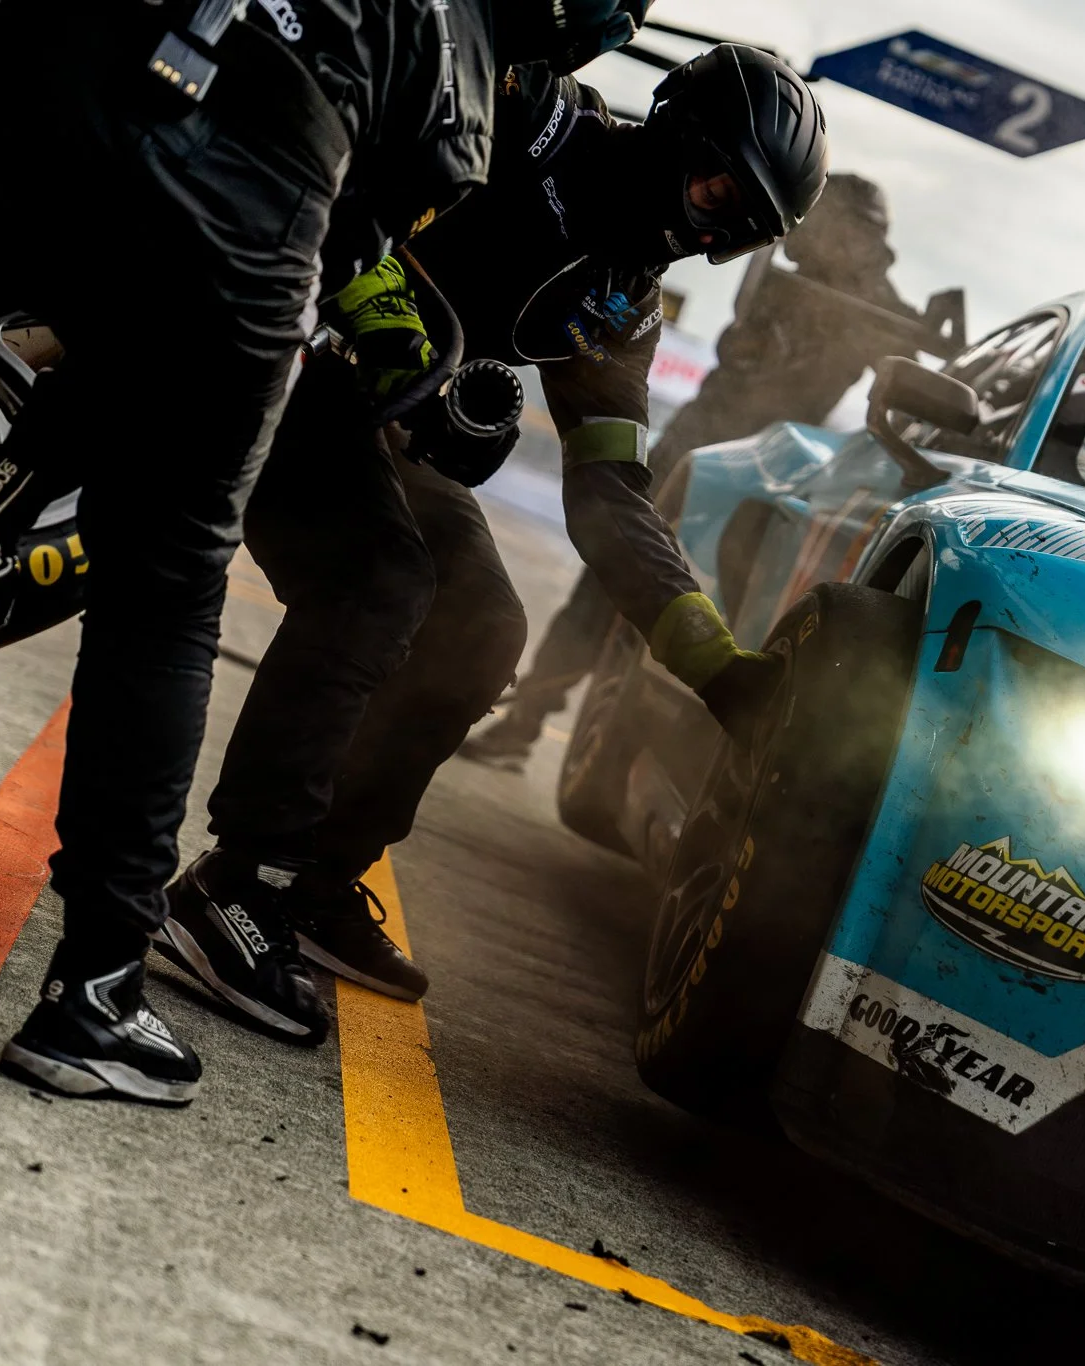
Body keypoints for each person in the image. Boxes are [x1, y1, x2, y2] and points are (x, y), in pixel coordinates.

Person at [0, 0, 645, 1105]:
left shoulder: (614, 271)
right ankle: (95, 990)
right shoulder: (477, 77)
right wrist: (400, 339)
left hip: (37, 66)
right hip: (255, 169)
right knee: (166, 586)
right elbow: (356, 234)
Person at [147, 44, 828, 1038]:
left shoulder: (618, 308)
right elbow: (337, 172)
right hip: (271, 349)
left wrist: (720, 670)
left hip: (375, 416)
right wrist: (391, 340)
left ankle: (316, 879)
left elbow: (608, 500)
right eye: (720, 189)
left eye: (739, 231)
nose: (710, 228)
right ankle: (236, 883)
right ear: (679, 130)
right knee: (379, 581)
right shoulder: (528, 118)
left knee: (485, 622)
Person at [473, 171, 924, 762]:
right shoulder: (787, 279)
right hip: (698, 442)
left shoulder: (879, 307)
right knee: (611, 573)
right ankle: (526, 720)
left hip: (762, 475)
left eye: (827, 228)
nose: (808, 236)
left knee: (705, 607)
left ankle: (631, 746)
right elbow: (739, 349)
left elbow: (909, 388)